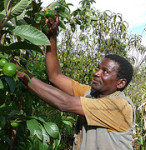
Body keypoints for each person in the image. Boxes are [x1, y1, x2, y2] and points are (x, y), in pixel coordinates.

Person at [17, 8, 135, 150]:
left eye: (105, 71)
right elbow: (55, 76)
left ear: (120, 83)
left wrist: (22, 74)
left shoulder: (120, 107)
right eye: (98, 68)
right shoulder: (91, 94)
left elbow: (64, 103)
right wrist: (52, 36)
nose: (96, 73)